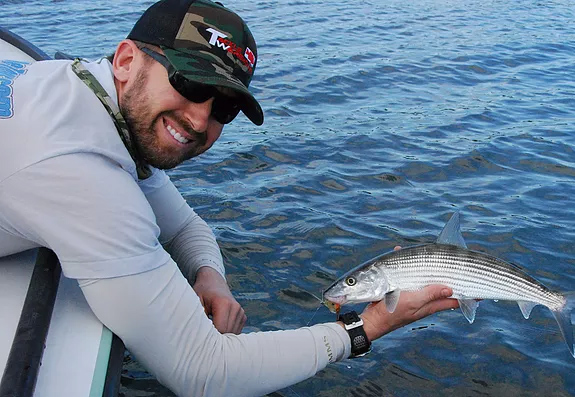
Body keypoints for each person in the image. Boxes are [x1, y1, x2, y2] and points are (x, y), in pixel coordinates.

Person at [0, 0, 459, 395]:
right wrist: (368, 327)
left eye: (223, 108)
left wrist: (209, 277)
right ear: (125, 61)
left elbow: (184, 227)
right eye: (191, 84)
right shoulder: (80, 175)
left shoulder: (86, 96)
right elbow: (203, 373)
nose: (201, 121)